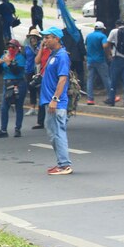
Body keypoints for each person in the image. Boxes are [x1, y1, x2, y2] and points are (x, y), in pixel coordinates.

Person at [39, 27, 73, 175]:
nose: (45, 40)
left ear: (57, 39)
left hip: (56, 102)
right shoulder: (53, 55)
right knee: (53, 133)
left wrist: (55, 99)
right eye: (44, 38)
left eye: (48, 37)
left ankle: (64, 165)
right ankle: (61, 163)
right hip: (49, 101)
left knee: (58, 133)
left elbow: (63, 78)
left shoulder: (62, 56)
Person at [0, 39, 27, 138]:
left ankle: (17, 129)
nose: (10, 49)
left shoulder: (20, 58)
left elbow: (18, 71)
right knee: (4, 107)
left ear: (17, 48)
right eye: (9, 47)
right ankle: (3, 129)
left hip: (18, 83)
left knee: (18, 106)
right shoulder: (5, 56)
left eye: (13, 47)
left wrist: (10, 63)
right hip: (8, 83)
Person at [105, 20, 124, 107]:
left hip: (117, 58)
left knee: (113, 80)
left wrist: (109, 55)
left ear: (116, 25)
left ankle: (111, 100)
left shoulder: (114, 31)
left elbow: (107, 44)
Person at [85, 22, 111, 105]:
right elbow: (105, 46)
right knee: (106, 78)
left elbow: (86, 46)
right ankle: (111, 96)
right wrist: (108, 55)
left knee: (90, 80)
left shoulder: (89, 36)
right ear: (102, 29)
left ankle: (90, 99)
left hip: (90, 60)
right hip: (100, 60)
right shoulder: (102, 36)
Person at [24, 28, 42, 115]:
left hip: (37, 70)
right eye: (32, 37)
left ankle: (41, 108)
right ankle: (32, 107)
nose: (33, 39)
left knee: (39, 88)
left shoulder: (40, 46)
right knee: (31, 88)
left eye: (35, 37)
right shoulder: (27, 47)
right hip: (29, 70)